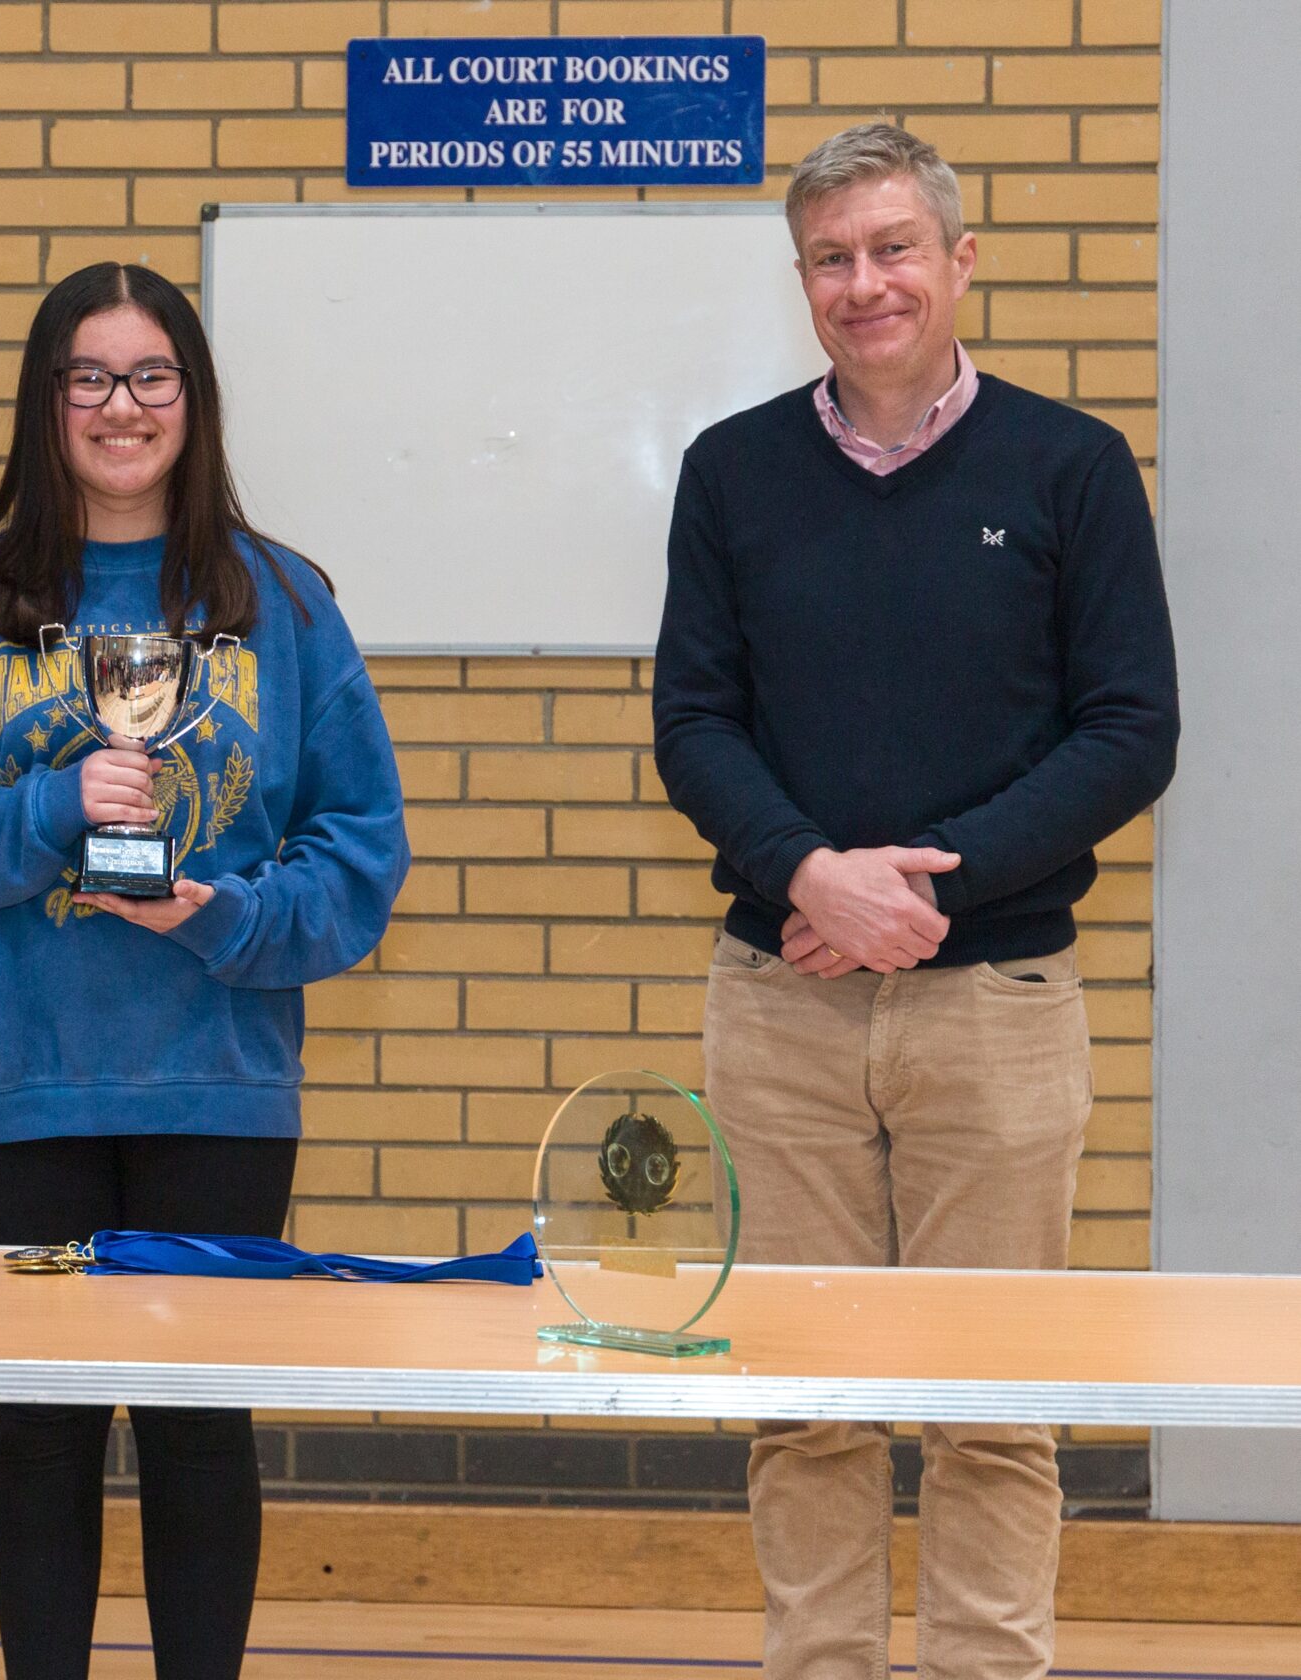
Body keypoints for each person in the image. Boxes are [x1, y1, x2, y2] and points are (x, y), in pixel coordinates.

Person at [652, 124, 1179, 1680]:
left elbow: (1131, 728)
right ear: (802, 278)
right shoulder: (730, 470)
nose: (863, 282)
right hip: (782, 1002)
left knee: (993, 1408)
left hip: (998, 1006)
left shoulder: (1069, 465)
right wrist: (812, 873)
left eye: (894, 249)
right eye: (832, 257)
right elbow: (694, 721)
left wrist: (923, 890)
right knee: (803, 1398)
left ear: (959, 262)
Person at [0, 261, 409, 1679]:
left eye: (151, 376)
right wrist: (53, 814)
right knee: (40, 1429)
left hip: (215, 1088)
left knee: (198, 1425)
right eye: (89, 377)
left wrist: (220, 915)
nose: (120, 405)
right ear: (47, 404)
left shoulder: (283, 602)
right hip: (18, 1089)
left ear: (194, 401)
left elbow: (360, 858)